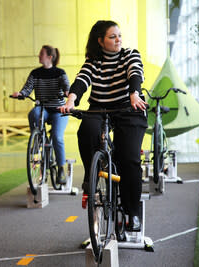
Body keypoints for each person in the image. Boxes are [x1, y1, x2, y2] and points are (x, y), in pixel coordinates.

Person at [59, 20, 148, 231]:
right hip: (100, 107)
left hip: (129, 106)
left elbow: (135, 73)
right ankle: (92, 175)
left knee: (129, 159)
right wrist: (71, 100)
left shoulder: (130, 55)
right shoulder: (93, 61)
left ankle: (132, 213)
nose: (118, 40)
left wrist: (134, 93)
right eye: (112, 37)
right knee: (87, 130)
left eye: (119, 36)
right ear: (100, 41)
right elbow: (82, 80)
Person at [12, 45, 70, 184]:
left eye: (41, 54)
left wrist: (68, 93)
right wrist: (21, 94)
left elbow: (66, 86)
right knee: (33, 113)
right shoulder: (35, 73)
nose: (39, 56)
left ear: (50, 57)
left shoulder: (60, 73)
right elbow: (27, 88)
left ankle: (61, 169)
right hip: (42, 108)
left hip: (58, 110)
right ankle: (37, 139)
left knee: (57, 137)